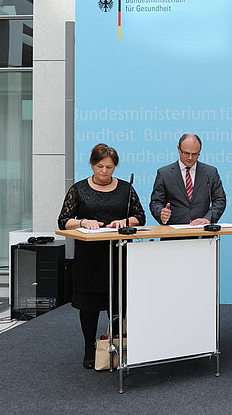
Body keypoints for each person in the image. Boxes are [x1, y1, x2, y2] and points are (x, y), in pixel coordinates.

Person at [57, 143, 145, 369]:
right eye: (100, 166)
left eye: (109, 167)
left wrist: (125, 222)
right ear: (92, 164)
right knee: (89, 306)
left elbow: (140, 217)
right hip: (89, 257)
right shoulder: (79, 189)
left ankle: (117, 345)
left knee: (118, 304)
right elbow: (63, 221)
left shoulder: (126, 189)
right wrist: (82, 221)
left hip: (118, 254)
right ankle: (90, 347)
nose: (105, 171)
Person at [150, 134, 226, 226]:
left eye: (195, 154)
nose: (190, 158)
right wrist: (161, 213)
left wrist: (208, 218)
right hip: (173, 233)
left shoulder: (210, 172)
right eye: (186, 153)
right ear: (178, 149)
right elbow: (155, 202)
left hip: (203, 233)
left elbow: (220, 199)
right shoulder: (164, 173)